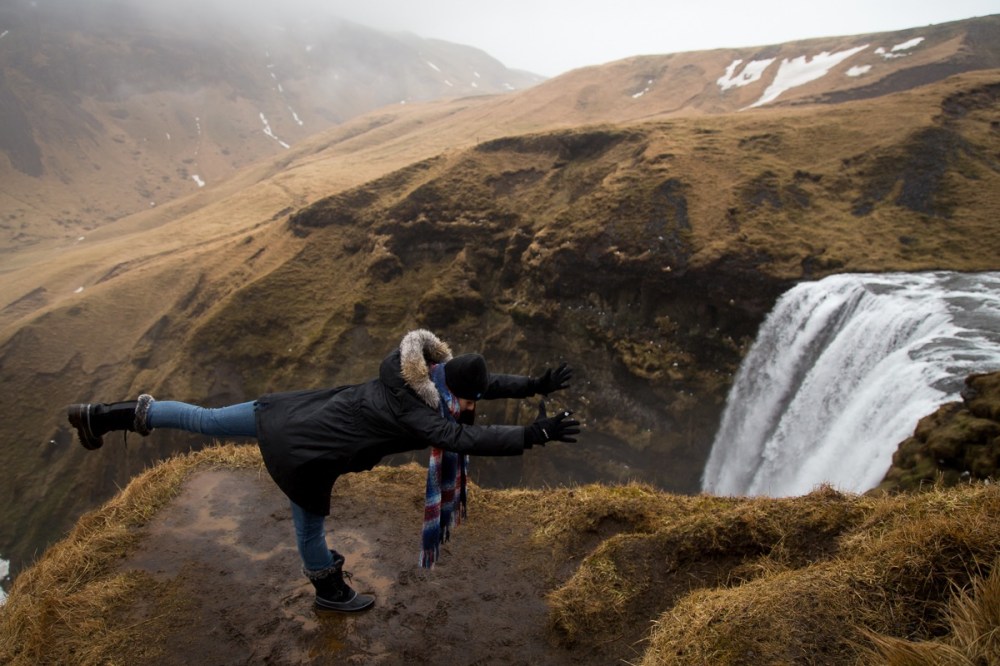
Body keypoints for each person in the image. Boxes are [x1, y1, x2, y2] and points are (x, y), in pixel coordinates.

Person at [67, 328, 580, 613]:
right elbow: (465, 437)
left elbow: (477, 385)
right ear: (449, 390)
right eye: (469, 398)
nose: (472, 403)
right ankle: (329, 592)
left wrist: (534, 384)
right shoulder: (420, 413)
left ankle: (107, 415)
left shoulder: (416, 372)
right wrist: (533, 434)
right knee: (309, 526)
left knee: (205, 420)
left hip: (290, 411)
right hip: (309, 449)